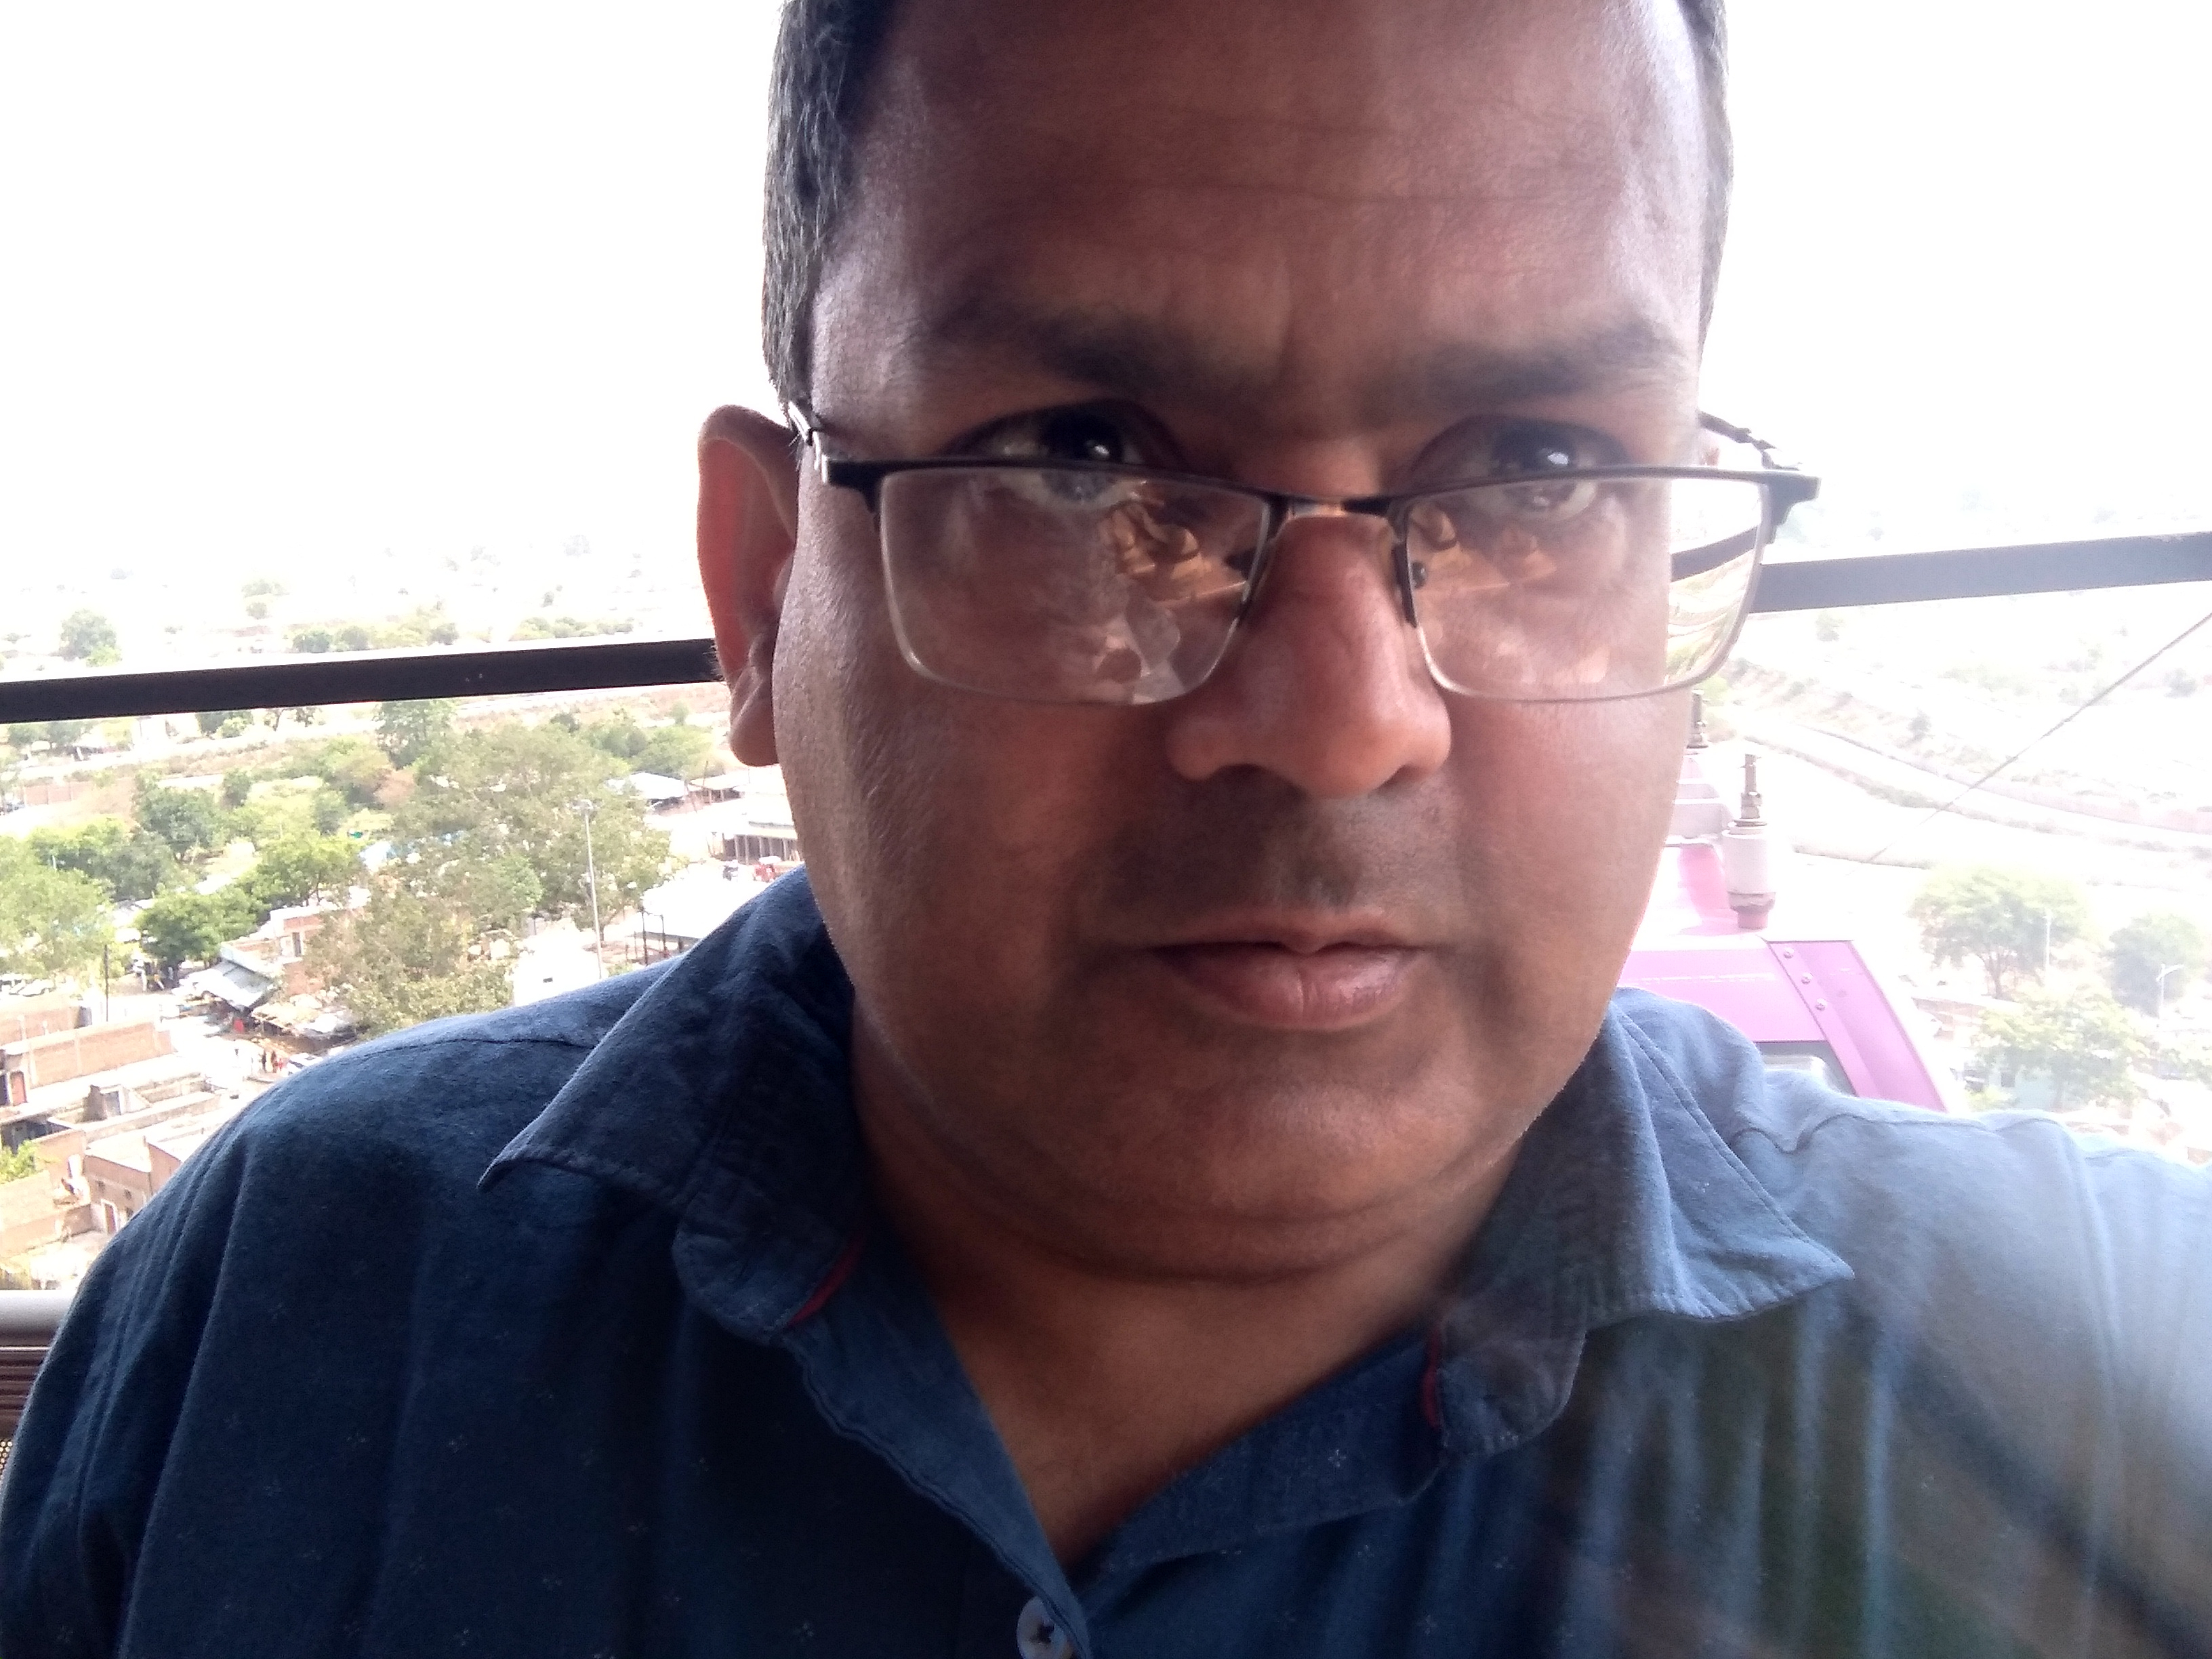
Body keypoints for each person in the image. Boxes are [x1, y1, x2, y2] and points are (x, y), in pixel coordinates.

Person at [4, 0, 2208, 1654]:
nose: (1338, 724)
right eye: (1080, 464)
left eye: (1538, 470)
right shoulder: (298, 1309)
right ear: (763, 596)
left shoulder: (2103, 1386)